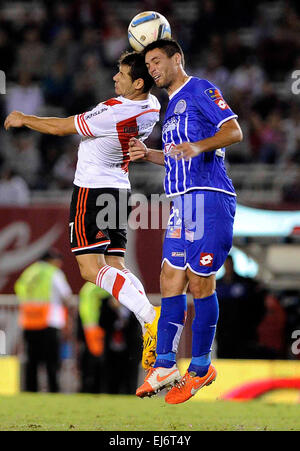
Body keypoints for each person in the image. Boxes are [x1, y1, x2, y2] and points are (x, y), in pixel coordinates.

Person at [4, 51, 161, 370]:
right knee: (116, 264)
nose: (115, 78)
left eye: (122, 74)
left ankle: (149, 316)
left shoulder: (112, 112)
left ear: (139, 82)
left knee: (90, 270)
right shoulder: (152, 107)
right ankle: (150, 324)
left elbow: (61, 127)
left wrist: (24, 119)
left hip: (92, 191)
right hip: (119, 189)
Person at [129, 39, 243, 404]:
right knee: (169, 276)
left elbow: (233, 132)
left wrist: (200, 145)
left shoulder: (201, 89)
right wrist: (149, 153)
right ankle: (165, 364)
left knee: (199, 282)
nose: (153, 69)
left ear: (178, 59)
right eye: (149, 64)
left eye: (158, 61)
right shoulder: (171, 106)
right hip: (182, 204)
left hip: (210, 198)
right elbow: (178, 156)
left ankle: (200, 367)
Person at [14, 248, 72, 392]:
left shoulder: (29, 272)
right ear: (52, 260)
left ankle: (29, 390)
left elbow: (19, 290)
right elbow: (67, 296)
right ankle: (53, 390)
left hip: (29, 321)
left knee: (31, 360)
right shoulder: (53, 273)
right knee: (51, 361)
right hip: (49, 321)